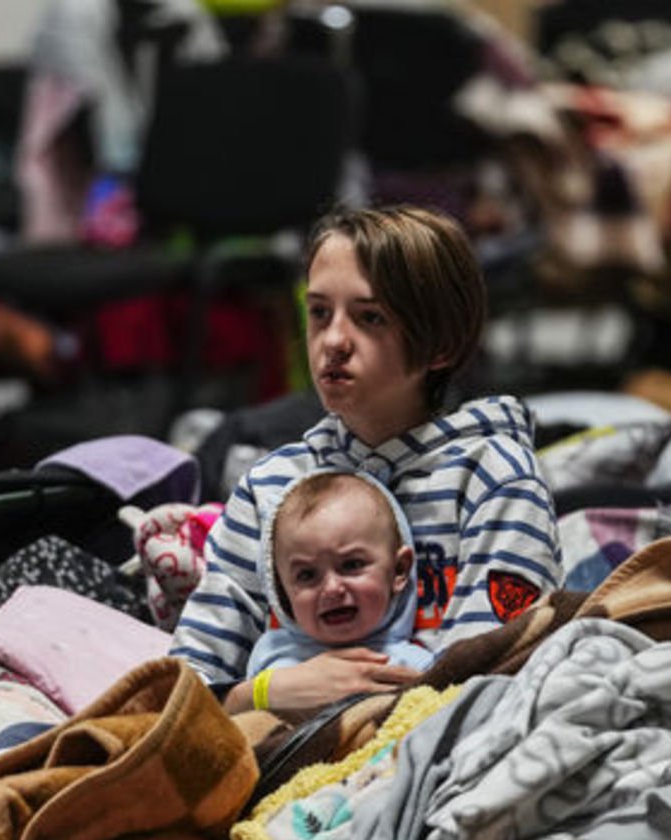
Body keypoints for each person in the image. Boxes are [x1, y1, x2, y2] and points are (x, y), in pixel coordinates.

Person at [169, 204, 561, 715]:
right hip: (279, 746)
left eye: (369, 317)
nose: (333, 341)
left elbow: (487, 683)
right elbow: (187, 688)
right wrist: (265, 693)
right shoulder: (272, 486)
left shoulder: (496, 477)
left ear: (440, 345)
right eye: (319, 313)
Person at [246, 469, 435, 684]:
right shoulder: (269, 660)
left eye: (351, 565)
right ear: (282, 590)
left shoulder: (416, 667)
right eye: (307, 575)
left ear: (399, 570)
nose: (332, 589)